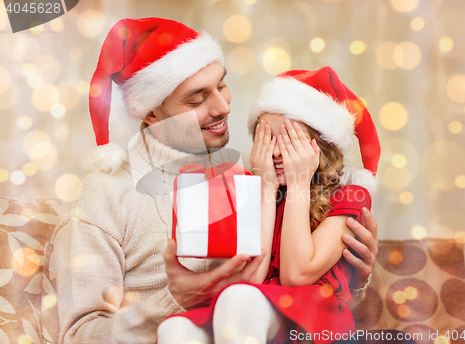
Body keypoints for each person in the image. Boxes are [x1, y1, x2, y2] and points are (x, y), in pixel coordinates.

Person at [52, 18, 379, 344]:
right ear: (151, 113)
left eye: (222, 85)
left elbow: (291, 292)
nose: (224, 107)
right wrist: (175, 301)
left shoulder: (247, 177)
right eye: (196, 100)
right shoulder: (104, 195)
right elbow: (78, 337)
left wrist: (351, 271)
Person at [157, 66, 381, 344]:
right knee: (175, 329)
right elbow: (253, 277)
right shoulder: (257, 189)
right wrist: (265, 187)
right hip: (254, 306)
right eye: (266, 139)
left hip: (313, 317)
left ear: (322, 145)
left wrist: (300, 182)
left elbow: (296, 275)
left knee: (238, 298)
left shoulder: (350, 196)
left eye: (288, 140)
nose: (275, 152)